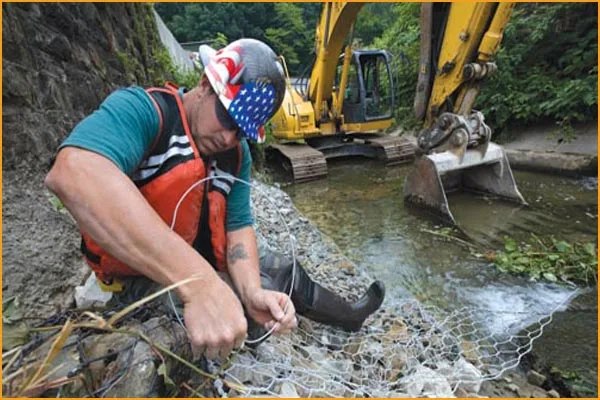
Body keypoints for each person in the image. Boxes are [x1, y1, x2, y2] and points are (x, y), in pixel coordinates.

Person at [45, 38, 385, 361]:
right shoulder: (144, 111)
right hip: (135, 274)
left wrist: (252, 290)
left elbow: (238, 227)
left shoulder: (235, 155)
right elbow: (74, 172)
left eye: (241, 131)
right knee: (234, 315)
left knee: (279, 277)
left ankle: (351, 316)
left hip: (196, 251)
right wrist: (199, 283)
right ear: (206, 84)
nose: (228, 137)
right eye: (227, 118)